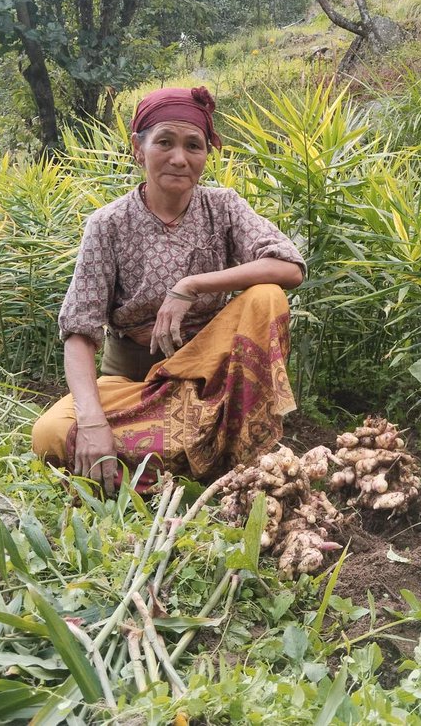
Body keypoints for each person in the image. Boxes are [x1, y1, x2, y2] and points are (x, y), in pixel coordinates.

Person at [31, 86, 305, 495]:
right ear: (138, 149)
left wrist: (190, 285)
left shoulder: (223, 208)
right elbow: (79, 331)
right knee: (51, 434)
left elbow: (289, 266)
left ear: (206, 154)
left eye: (193, 145)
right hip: (135, 385)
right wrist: (91, 421)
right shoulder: (108, 225)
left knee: (267, 295)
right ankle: (204, 458)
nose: (179, 158)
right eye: (165, 142)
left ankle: (238, 448)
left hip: (212, 380)